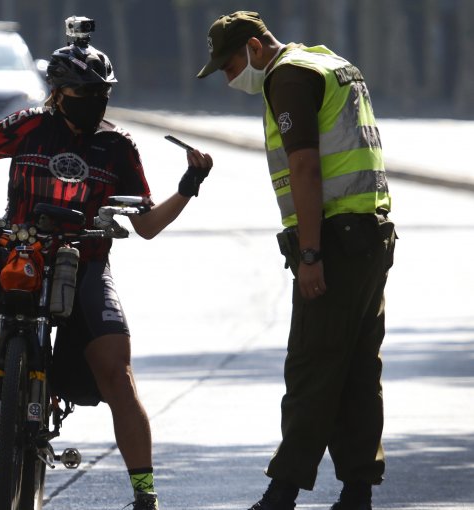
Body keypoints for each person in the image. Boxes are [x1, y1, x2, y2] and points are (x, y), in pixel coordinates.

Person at [0, 19, 213, 510]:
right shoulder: (29, 124)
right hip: (17, 246)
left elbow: (147, 225)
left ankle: (145, 493)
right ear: (59, 93)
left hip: (84, 262)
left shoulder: (117, 147)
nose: (95, 102)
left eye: (102, 94)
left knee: (118, 372)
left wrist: (189, 185)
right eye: (84, 92)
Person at [195, 11, 397, 510]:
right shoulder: (329, 63)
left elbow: (305, 168)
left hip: (335, 241)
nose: (228, 77)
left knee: (311, 367)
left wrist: (310, 254)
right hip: (371, 236)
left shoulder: (287, 77)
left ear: (255, 48)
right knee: (355, 368)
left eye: (228, 65)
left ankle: (282, 492)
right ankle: (357, 492)